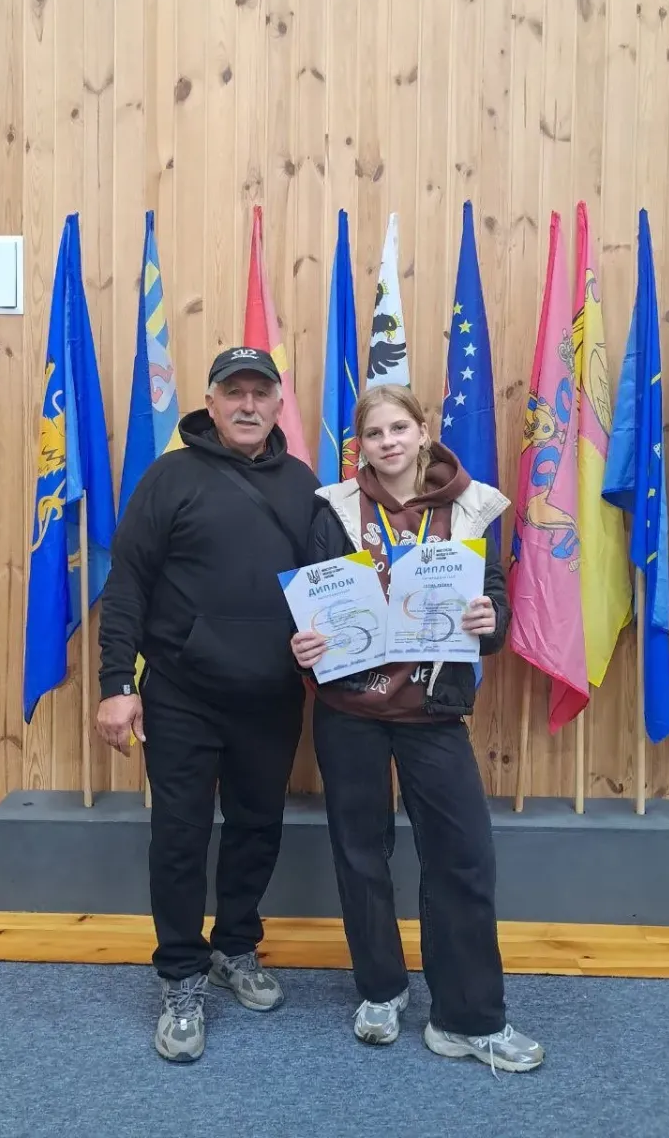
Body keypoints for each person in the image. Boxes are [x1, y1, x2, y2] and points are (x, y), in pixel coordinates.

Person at [291, 384, 544, 1074]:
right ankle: (380, 989)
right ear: (361, 446)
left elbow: (493, 601)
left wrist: (489, 621)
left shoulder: (471, 506)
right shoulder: (334, 508)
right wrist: (304, 643)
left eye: (399, 428)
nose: (389, 443)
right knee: (360, 853)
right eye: (375, 434)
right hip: (350, 711)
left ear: (423, 430)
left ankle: (467, 1018)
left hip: (433, 713)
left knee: (463, 857)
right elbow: (313, 604)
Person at [96, 346, 320, 1063]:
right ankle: (181, 978)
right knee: (180, 837)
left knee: (258, 827)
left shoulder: (304, 485)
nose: (248, 405)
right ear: (212, 402)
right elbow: (127, 584)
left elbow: (328, 587)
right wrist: (116, 685)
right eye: (234, 392)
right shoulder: (169, 477)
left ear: (278, 404)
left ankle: (235, 948)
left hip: (271, 696)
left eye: (261, 393)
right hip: (182, 696)